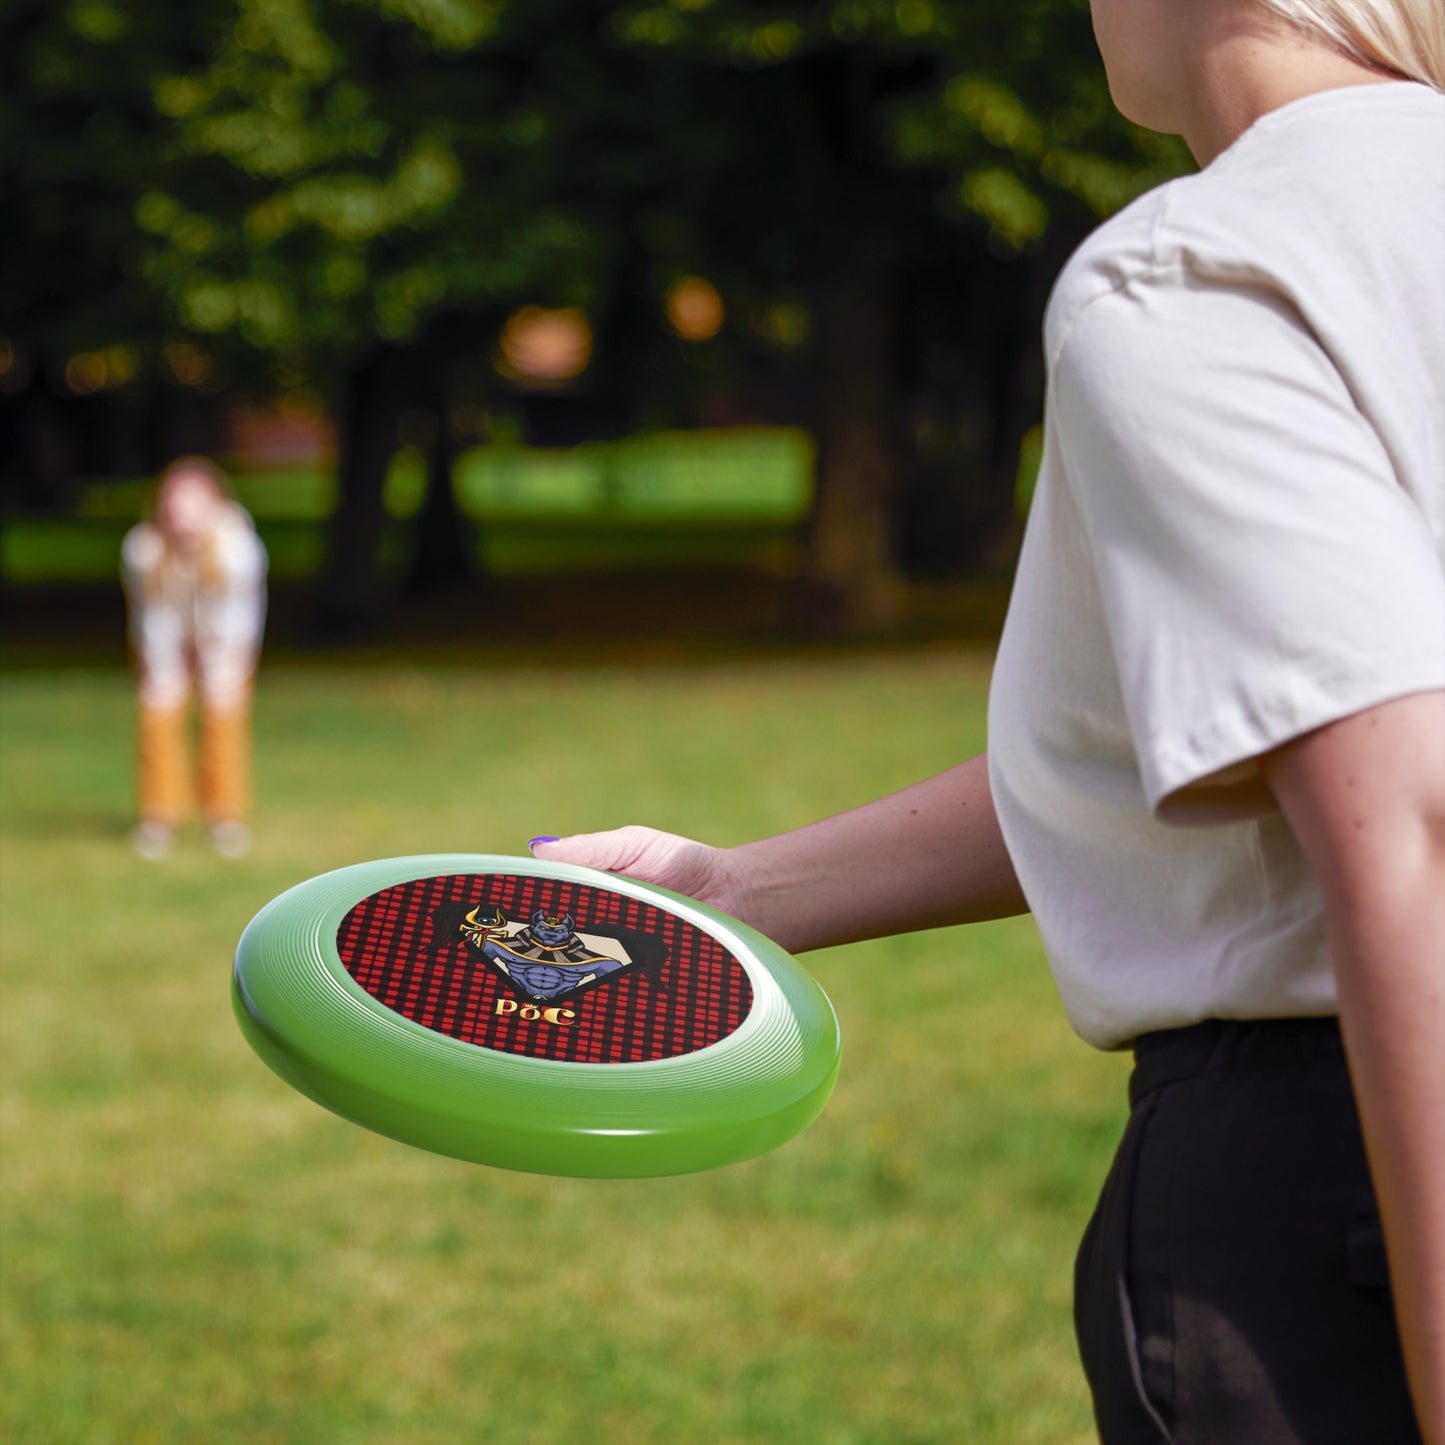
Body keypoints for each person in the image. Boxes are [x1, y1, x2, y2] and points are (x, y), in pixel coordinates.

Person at [530, 2, 1445, 1441]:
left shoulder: (1203, 270)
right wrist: (737, 889)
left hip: (1341, 1192)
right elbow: (1228, 740)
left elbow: (1407, 820)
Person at [121, 457, 268, 859]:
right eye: (174, 506)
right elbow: (152, 616)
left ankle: (225, 817)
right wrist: (168, 664)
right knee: (158, 713)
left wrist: (215, 659)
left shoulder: (238, 548)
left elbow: (239, 615)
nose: (182, 517)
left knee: (223, 717)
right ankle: (158, 816)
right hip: (165, 641)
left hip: (226, 642)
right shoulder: (143, 549)